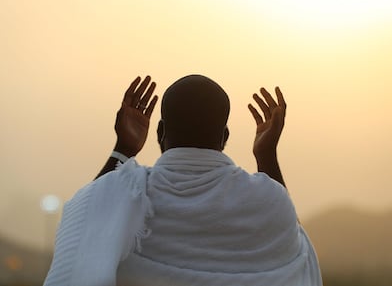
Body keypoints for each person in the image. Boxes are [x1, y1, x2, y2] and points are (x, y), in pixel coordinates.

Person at [44, 75, 323, 286]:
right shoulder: (268, 198)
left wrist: (124, 149)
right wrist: (266, 156)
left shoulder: (126, 194)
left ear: (160, 132)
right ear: (225, 137)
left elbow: (83, 233)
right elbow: (298, 253)